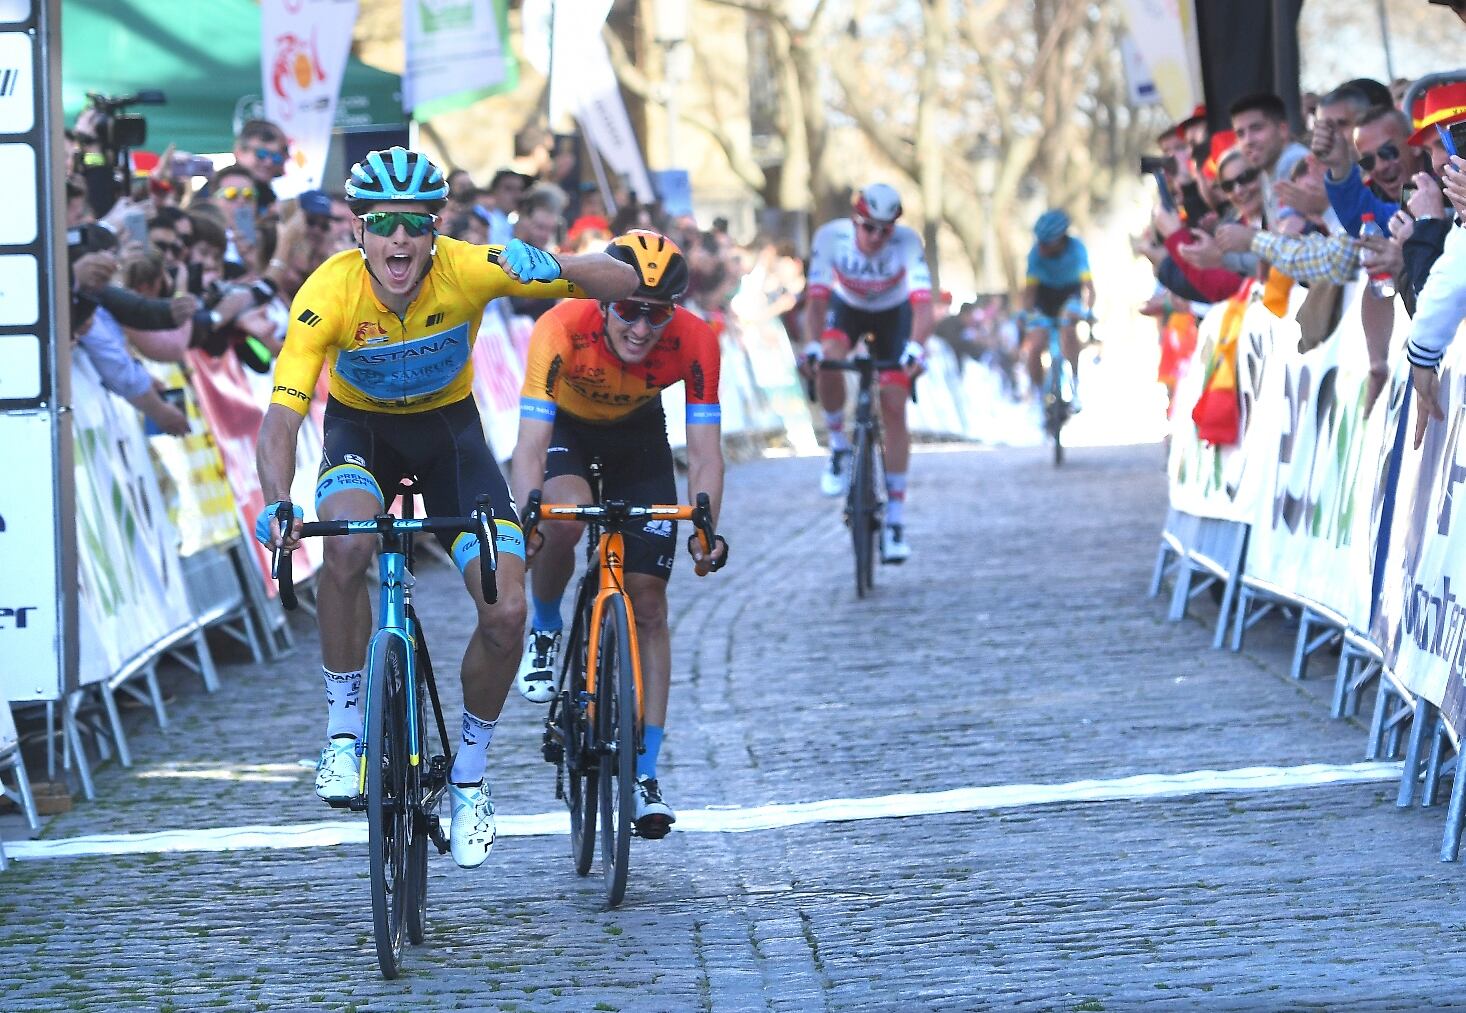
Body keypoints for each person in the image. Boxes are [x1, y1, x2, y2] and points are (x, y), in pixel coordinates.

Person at [253, 146, 638, 870]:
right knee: (345, 547)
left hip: (450, 441)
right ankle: (343, 733)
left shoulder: (468, 266)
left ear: (436, 230)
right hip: (361, 435)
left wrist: (552, 261)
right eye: (384, 223)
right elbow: (280, 421)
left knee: (506, 610)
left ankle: (468, 776)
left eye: (416, 224)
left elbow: (624, 280)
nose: (400, 239)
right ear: (358, 233)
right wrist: (278, 502)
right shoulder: (327, 292)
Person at [508, 230, 729, 839]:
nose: (641, 328)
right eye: (629, 309)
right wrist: (526, 511)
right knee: (563, 521)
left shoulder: (696, 340)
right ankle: (548, 628)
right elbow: (529, 444)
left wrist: (705, 524)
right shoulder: (560, 324)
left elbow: (706, 453)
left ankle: (644, 775)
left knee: (649, 602)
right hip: (567, 433)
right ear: (605, 302)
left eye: (656, 315)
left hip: (640, 441)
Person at [803, 183, 931, 563]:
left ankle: (894, 521)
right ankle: (839, 446)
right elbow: (816, 300)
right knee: (828, 357)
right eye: (868, 227)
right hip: (848, 307)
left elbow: (922, 307)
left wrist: (916, 347)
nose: (876, 236)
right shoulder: (831, 238)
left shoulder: (908, 242)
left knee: (894, 406)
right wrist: (810, 345)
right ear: (854, 220)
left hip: (894, 316)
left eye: (885, 229)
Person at [1020, 209, 1095, 402]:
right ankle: (1037, 393)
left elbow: (1089, 288)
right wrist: (1026, 316)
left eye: (1046, 244)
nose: (1042, 248)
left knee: (1068, 326)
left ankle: (1075, 380)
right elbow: (1030, 293)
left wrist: (1088, 311)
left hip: (1069, 292)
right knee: (1035, 344)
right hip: (1044, 296)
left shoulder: (1077, 249)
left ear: (1060, 240)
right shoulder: (1035, 255)